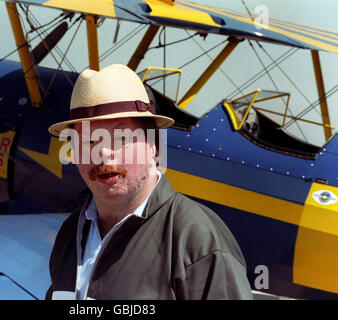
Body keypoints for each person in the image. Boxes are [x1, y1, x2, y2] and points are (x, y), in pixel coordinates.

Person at [46, 64, 252, 300]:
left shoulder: (196, 239)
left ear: (153, 144)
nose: (102, 153)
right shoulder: (71, 233)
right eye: (88, 142)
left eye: (120, 138)